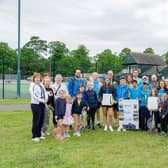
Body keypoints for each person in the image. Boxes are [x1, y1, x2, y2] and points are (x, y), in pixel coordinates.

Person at [29, 72, 48, 142]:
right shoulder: (32, 85)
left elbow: (45, 92)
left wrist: (46, 99)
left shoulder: (41, 85)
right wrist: (42, 100)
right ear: (34, 79)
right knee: (36, 120)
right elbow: (34, 95)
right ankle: (34, 136)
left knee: (41, 120)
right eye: (36, 78)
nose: (37, 79)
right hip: (35, 104)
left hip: (42, 104)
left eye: (39, 78)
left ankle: (39, 134)